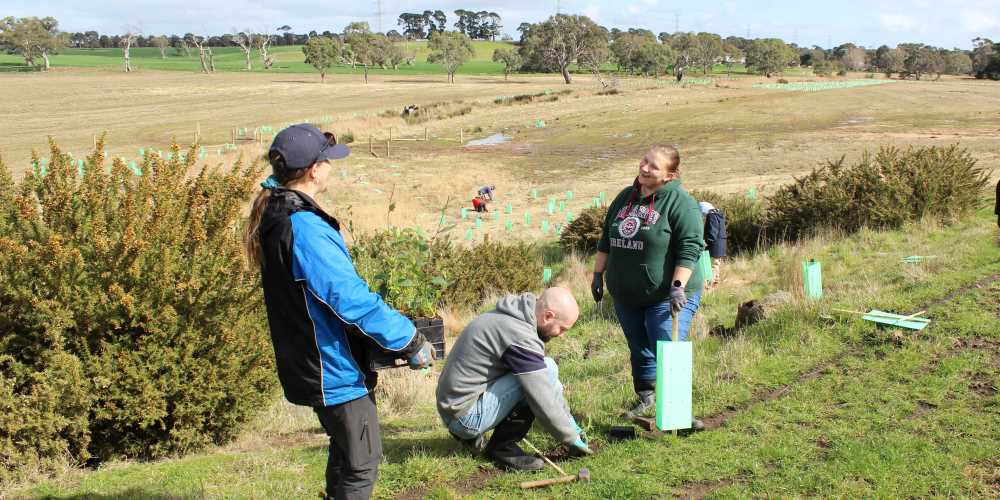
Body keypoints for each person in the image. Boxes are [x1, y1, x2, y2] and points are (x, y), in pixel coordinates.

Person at [243, 124, 434, 500]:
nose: (332, 167)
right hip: (331, 367)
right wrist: (409, 340)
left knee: (348, 455)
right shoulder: (304, 227)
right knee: (362, 464)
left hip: (315, 361)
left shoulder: (279, 212)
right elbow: (350, 300)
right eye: (328, 161)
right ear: (314, 169)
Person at [590, 146, 705, 422]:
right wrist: (597, 274)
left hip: (666, 295)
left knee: (666, 344)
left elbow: (690, 248)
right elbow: (607, 238)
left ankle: (677, 414)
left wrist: (678, 285)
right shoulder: (624, 198)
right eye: (644, 161)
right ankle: (647, 399)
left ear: (670, 175)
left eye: (653, 166)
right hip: (626, 294)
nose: (644, 168)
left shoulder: (680, 203)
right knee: (638, 345)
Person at [436, 287, 593, 471]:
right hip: (463, 416)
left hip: (455, 407)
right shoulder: (519, 334)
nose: (562, 334)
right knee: (546, 370)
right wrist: (570, 438)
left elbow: (549, 385)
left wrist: (570, 424)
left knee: (543, 370)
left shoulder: (515, 316)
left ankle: (475, 439)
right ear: (548, 316)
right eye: (562, 328)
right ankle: (502, 449)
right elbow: (542, 396)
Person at [699, 201, 727, 287]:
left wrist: (706, 242)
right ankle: (715, 283)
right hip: (720, 244)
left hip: (715, 245)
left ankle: (711, 286)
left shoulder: (711, 216)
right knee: (716, 264)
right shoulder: (718, 215)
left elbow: (712, 232)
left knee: (713, 265)